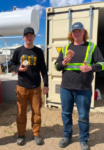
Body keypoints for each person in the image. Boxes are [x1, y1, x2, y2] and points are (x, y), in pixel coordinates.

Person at [55, 22, 104, 150]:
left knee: (83, 116)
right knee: (66, 113)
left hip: (84, 88)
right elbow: (56, 66)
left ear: (84, 32)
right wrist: (64, 62)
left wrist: (90, 67)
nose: (77, 33)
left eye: (79, 31)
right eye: (74, 31)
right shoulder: (65, 48)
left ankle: (83, 139)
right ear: (71, 34)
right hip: (66, 87)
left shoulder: (92, 47)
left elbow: (102, 64)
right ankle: (67, 137)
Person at [11, 27, 49, 145]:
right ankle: (21, 134)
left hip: (36, 87)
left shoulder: (38, 52)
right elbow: (12, 65)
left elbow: (43, 69)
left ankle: (36, 134)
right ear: (23, 37)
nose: (28, 37)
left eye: (31, 35)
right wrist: (19, 69)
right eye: (26, 35)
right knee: (21, 112)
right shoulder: (18, 51)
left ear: (34, 37)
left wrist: (46, 84)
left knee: (36, 112)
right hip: (21, 87)